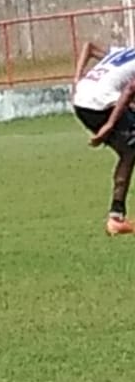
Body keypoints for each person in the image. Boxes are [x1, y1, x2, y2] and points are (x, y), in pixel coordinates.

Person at [71, 40, 135, 236]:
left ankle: (117, 217)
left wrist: (76, 79)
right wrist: (109, 125)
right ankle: (115, 218)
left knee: (130, 149)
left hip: (82, 101)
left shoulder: (125, 53)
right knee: (130, 150)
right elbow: (130, 89)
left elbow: (88, 46)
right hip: (98, 106)